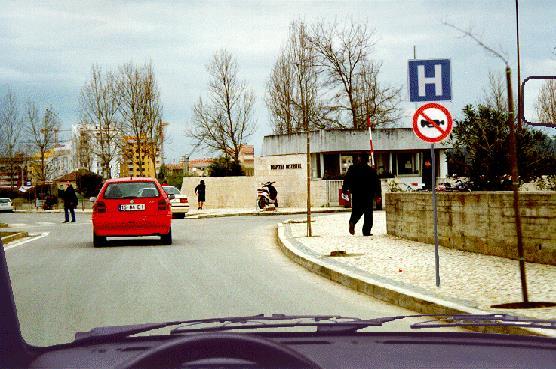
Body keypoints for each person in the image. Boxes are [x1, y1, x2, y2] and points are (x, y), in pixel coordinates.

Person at [342, 153, 381, 236]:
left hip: (356, 193)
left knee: (357, 210)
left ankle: (352, 221)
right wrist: (377, 195)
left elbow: (347, 179)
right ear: (367, 160)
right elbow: (377, 183)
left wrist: (345, 190)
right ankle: (366, 231)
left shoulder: (353, 168)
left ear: (359, 158)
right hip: (368, 194)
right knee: (368, 213)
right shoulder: (371, 170)